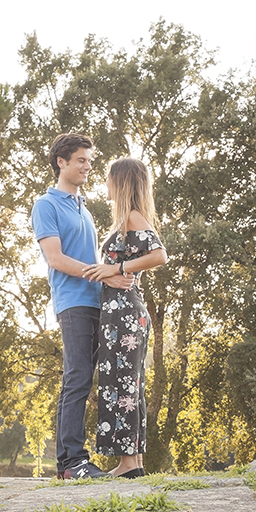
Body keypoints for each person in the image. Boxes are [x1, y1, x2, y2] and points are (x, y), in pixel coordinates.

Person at [30, 132, 131, 480]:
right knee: (77, 378)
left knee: (90, 380)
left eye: (90, 160)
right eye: (82, 160)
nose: (88, 166)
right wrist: (104, 277)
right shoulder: (46, 205)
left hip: (96, 301)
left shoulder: (83, 208)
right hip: (72, 301)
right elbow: (56, 259)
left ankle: (81, 460)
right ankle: (71, 462)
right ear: (62, 162)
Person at [93, 157, 167, 478]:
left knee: (121, 382)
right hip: (124, 312)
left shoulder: (132, 218)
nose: (105, 184)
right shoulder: (125, 220)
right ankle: (133, 464)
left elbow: (159, 255)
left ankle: (126, 463)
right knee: (129, 384)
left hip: (124, 313)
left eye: (109, 179)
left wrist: (119, 269)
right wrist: (113, 271)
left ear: (121, 182)